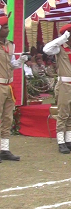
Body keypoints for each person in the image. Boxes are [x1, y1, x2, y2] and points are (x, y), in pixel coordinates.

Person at [43, 23, 71, 154]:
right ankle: (61, 142)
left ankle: (69, 140)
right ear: (67, 34)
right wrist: (62, 38)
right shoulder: (59, 48)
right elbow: (46, 49)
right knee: (63, 114)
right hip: (64, 85)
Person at [0, 16, 28, 161]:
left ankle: (4, 148)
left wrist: (20, 61)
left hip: (9, 85)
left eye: (7, 27)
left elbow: (12, 65)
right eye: (5, 28)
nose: (8, 30)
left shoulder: (11, 45)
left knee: (7, 118)